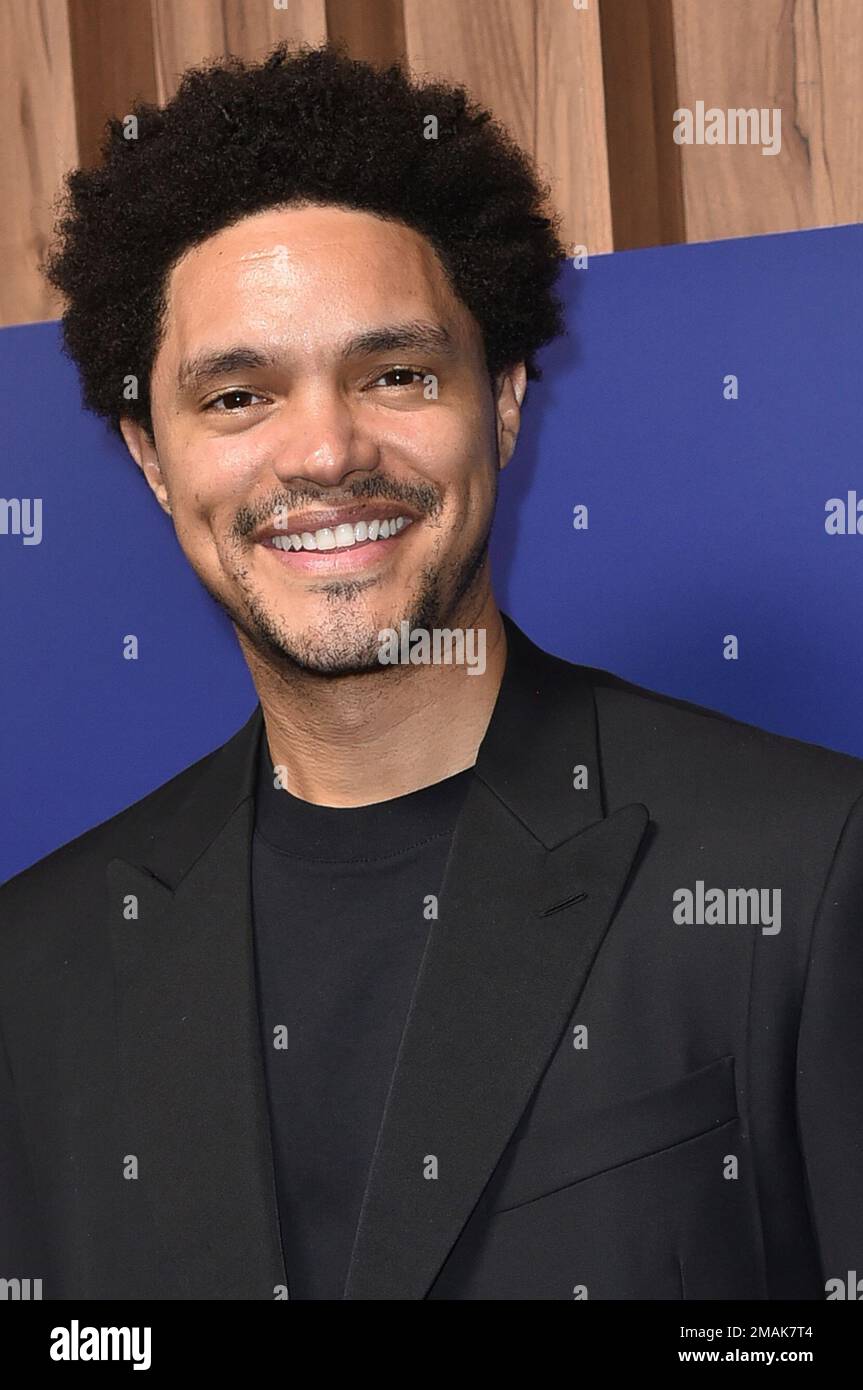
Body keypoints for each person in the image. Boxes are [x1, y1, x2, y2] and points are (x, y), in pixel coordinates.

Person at [1, 42, 861, 1301]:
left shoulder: (806, 867)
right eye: (237, 396)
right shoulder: (37, 971)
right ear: (149, 456)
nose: (324, 450)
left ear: (503, 400)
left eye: (394, 374)